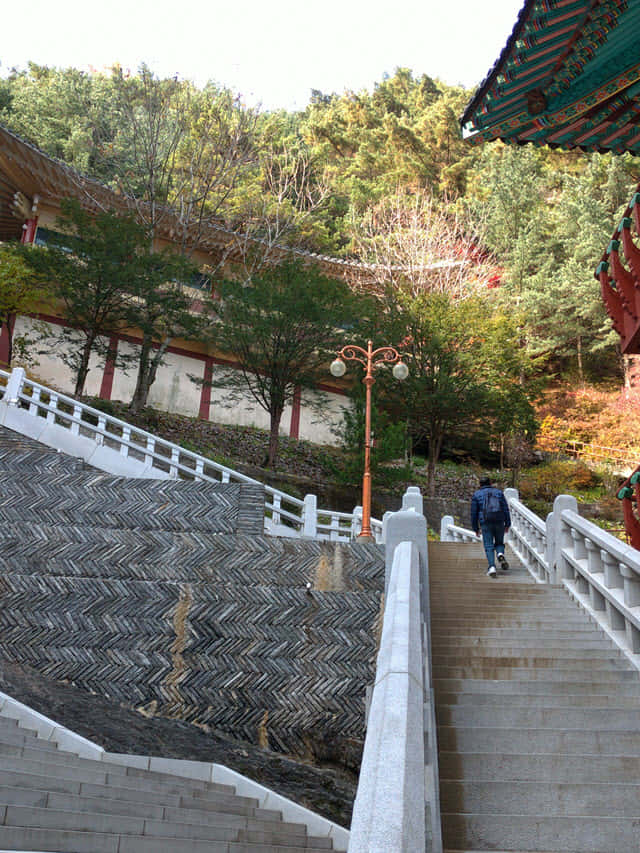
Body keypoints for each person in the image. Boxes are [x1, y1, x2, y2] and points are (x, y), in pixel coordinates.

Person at [471, 476, 511, 578]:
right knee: (499, 542)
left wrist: (475, 528)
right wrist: (507, 524)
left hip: (485, 522)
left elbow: (474, 513)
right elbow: (505, 509)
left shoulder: (477, 495)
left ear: (480, 484)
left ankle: (492, 567)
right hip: (499, 521)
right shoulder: (498, 493)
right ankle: (500, 554)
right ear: (491, 483)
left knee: (488, 545)